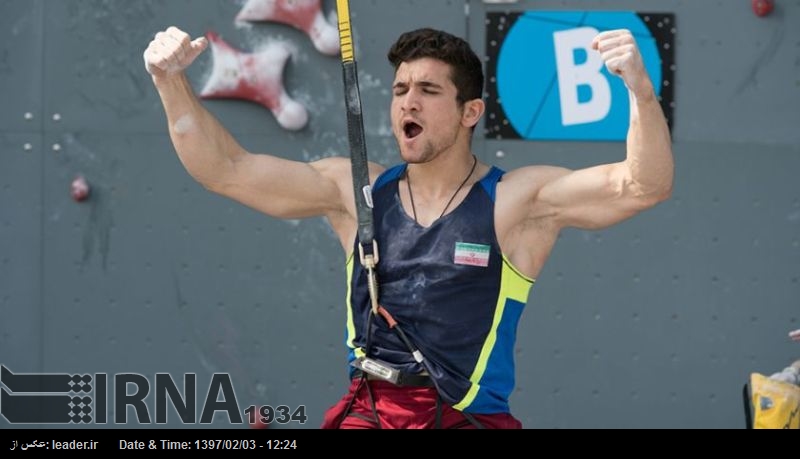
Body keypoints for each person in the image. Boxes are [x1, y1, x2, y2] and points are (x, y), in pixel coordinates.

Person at [144, 25, 673, 429]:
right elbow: (226, 171)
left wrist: (641, 95)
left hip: (466, 419)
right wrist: (169, 81)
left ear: (470, 112)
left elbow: (641, 185)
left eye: (427, 90)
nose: (408, 102)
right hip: (368, 415)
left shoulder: (516, 201)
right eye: (399, 90)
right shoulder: (354, 194)